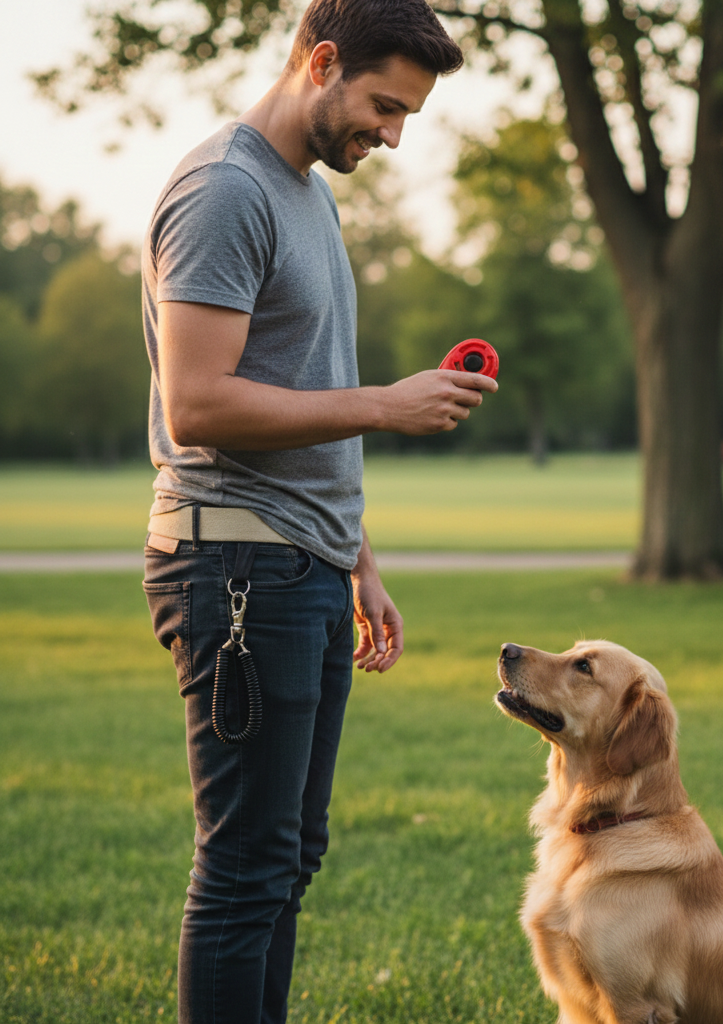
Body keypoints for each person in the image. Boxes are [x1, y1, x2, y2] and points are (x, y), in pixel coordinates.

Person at [140, 2, 496, 1021]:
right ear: (321, 61)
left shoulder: (303, 193)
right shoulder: (224, 191)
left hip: (300, 560)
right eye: (384, 106)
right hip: (234, 567)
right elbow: (197, 403)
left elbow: (300, 386)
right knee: (245, 867)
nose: (391, 135)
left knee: (289, 855)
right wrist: (386, 404)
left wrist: (356, 555)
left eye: (406, 116)